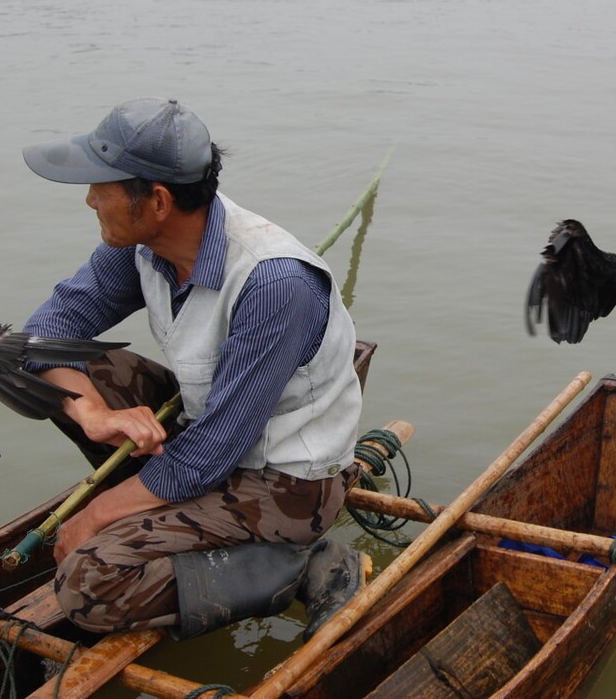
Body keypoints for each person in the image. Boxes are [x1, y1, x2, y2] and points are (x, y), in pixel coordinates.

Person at [21, 97, 366, 640]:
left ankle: (297, 563)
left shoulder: (274, 283)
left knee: (87, 583)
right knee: (66, 371)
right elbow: (42, 336)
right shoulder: (142, 244)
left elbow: (210, 454)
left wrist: (94, 516)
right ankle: (155, 511)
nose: (89, 200)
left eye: (101, 187)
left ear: (156, 200)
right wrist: (89, 412)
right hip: (208, 444)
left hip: (284, 483)